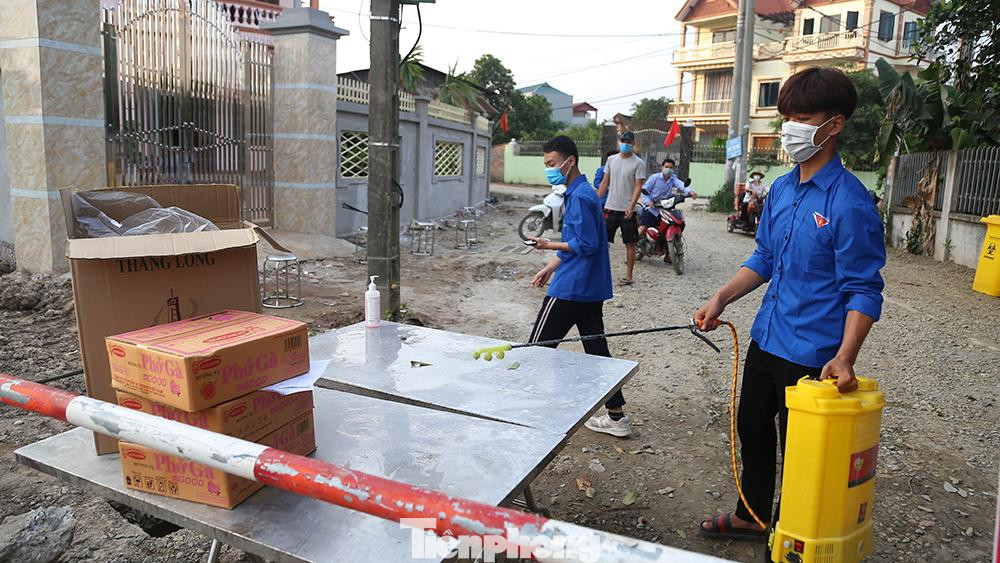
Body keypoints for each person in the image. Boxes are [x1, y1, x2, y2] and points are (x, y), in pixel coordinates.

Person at [694, 67, 886, 540]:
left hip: (812, 358)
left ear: (834, 124)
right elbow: (764, 256)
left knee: (802, 455)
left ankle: (791, 532)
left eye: (802, 118)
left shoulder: (851, 203)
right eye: (787, 118)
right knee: (752, 431)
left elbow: (864, 287)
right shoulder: (780, 189)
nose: (790, 129)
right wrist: (721, 297)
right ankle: (751, 516)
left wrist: (845, 357)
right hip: (767, 339)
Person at [528, 135, 632, 438]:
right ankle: (617, 417)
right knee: (597, 350)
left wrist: (547, 245)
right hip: (589, 289)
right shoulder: (582, 192)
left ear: (569, 161)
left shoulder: (580, 196)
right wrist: (550, 266)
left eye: (551, 163)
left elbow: (585, 244)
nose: (548, 169)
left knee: (535, 349)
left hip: (571, 289)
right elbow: (577, 243)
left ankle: (520, 413)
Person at [597, 131, 646, 286]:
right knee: (601, 241)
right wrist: (595, 200)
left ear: (633, 144)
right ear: (619, 142)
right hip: (610, 207)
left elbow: (638, 186)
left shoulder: (638, 163)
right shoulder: (611, 160)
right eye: (623, 140)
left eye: (628, 141)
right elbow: (605, 182)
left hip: (627, 210)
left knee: (630, 243)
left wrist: (631, 206)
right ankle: (598, 272)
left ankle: (629, 276)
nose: (625, 143)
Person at [638, 157, 698, 238]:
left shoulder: (673, 178)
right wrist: (648, 201)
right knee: (642, 228)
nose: (668, 169)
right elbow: (644, 190)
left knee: (674, 222)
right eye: (666, 167)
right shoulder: (654, 178)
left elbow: (681, 185)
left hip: (664, 208)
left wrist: (690, 192)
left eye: (671, 167)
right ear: (662, 167)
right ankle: (632, 244)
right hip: (651, 208)